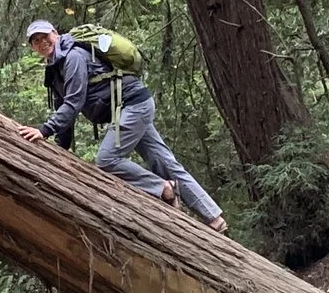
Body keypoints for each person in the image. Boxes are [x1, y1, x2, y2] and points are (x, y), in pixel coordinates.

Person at [16, 20, 225, 233]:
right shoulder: (55, 68)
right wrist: (61, 149)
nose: (42, 43)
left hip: (133, 104)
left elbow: (74, 103)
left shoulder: (72, 57)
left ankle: (163, 188)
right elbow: (65, 108)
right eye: (36, 41)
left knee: (106, 159)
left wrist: (43, 131)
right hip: (129, 108)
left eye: (45, 37)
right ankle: (214, 218)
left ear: (55, 33)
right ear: (33, 47)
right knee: (164, 162)